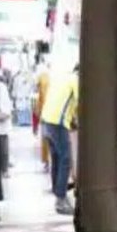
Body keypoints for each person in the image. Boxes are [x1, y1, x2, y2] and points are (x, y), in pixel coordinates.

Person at [40, 62, 79, 215]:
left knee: (56, 158)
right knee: (65, 159)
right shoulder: (76, 80)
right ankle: (61, 200)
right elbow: (82, 102)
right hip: (58, 123)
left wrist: (73, 120)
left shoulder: (62, 78)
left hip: (46, 121)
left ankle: (57, 190)